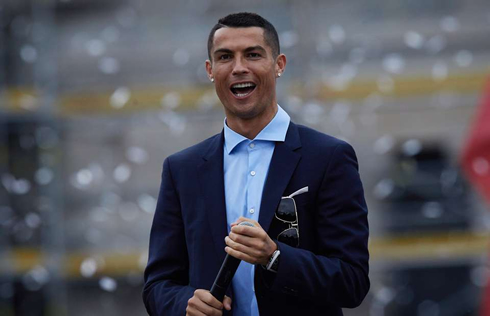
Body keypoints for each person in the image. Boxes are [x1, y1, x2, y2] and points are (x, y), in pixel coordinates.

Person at [143, 12, 369, 316]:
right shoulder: (181, 169)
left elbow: (352, 281)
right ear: (210, 70)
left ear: (279, 65)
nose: (239, 68)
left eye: (252, 54)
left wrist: (274, 257)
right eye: (225, 57)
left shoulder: (328, 157)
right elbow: (158, 284)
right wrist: (183, 304)